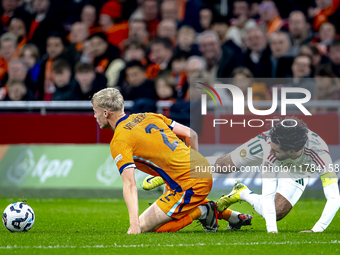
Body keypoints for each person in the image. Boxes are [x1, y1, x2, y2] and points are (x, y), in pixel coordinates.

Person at [91, 87, 252, 233]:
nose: (94, 115)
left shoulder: (120, 140)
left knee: (146, 228)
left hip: (188, 183)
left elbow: (130, 185)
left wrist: (134, 226)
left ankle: (203, 211)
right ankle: (231, 216)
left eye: (95, 111)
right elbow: (191, 134)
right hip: (195, 170)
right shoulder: (147, 116)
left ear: (105, 113)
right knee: (175, 207)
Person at [215, 117, 340, 233]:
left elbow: (334, 198)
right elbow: (268, 192)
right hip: (265, 145)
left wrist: (317, 229)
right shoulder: (271, 149)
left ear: (291, 151)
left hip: (299, 169)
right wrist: (272, 231)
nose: (271, 152)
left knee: (277, 213)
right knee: (223, 165)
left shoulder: (320, 154)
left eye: (275, 150)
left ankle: (242, 192)